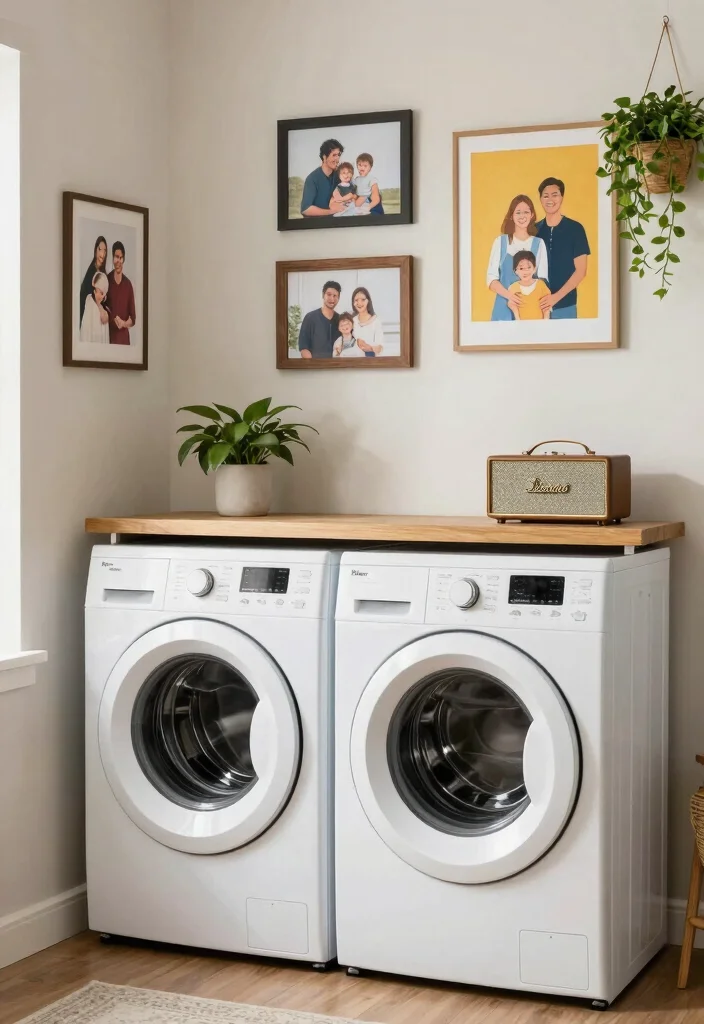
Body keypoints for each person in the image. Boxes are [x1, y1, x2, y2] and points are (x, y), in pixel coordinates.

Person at [535, 177, 590, 319]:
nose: (550, 200)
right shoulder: (534, 230)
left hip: (566, 305)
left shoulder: (575, 229)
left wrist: (555, 298)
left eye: (555, 195)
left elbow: (581, 270)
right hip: (536, 306)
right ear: (540, 199)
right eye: (545, 196)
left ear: (562, 197)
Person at [486, 195, 548, 321]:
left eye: (526, 212)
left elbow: (543, 280)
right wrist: (510, 296)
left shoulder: (539, 243)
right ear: (511, 215)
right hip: (503, 310)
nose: (522, 216)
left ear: (532, 215)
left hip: (530, 311)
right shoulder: (500, 242)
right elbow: (491, 279)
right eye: (518, 212)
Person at [300, 139, 347, 217]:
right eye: (334, 155)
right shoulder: (312, 179)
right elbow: (306, 209)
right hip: (318, 226)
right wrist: (331, 211)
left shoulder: (339, 176)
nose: (337, 159)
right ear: (324, 157)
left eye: (338, 155)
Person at [298, 281, 342, 358]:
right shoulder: (310, 318)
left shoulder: (341, 320)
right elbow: (304, 348)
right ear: (323, 295)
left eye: (335, 295)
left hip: (337, 368)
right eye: (329, 294)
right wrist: (314, 366)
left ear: (338, 298)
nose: (332, 298)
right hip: (315, 367)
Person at [106, 241, 136, 345]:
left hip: (124, 341)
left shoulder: (128, 285)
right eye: (116, 257)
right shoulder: (107, 280)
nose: (118, 260)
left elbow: (133, 318)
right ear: (112, 258)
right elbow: (101, 306)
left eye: (121, 257)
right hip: (108, 338)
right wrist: (112, 318)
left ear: (123, 259)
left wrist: (123, 323)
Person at [508, 251, 552, 320]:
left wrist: (545, 322)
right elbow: (512, 306)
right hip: (521, 327)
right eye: (521, 268)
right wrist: (518, 321)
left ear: (534, 269)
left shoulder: (541, 285)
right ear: (515, 271)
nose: (525, 271)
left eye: (529, 267)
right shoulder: (513, 288)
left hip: (540, 326)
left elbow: (547, 306)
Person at [79, 235, 109, 326]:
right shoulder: (91, 272)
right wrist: (99, 307)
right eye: (100, 249)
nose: (102, 254)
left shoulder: (104, 274)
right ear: (96, 250)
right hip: (91, 319)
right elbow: (86, 296)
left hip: (100, 322)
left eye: (105, 250)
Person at [79, 272, 110, 344]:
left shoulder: (104, 309)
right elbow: (85, 329)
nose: (100, 296)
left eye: (103, 294)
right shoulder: (89, 301)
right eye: (97, 291)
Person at [352, 287, 384, 356]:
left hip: (372, 361)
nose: (359, 303)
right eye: (356, 300)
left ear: (368, 301)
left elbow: (380, 347)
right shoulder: (352, 321)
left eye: (363, 299)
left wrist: (370, 348)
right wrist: (357, 342)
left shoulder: (376, 321)